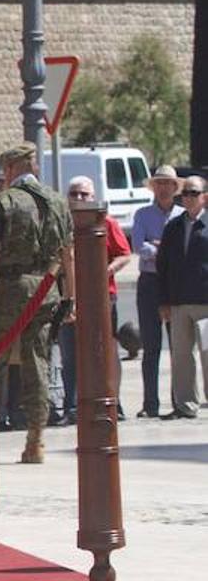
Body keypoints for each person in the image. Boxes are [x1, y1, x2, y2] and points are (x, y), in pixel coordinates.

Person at [0, 142, 74, 465]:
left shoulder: (4, 202)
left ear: (9, 169)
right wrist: (69, 298)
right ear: (32, 166)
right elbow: (67, 255)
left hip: (10, 286)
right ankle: (36, 440)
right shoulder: (58, 202)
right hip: (46, 289)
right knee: (38, 361)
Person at [58, 176, 133, 423]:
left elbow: (124, 255)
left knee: (106, 352)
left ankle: (113, 402)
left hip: (103, 298)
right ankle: (72, 406)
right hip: (69, 298)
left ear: (93, 197)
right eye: (74, 194)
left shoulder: (107, 223)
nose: (79, 199)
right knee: (70, 354)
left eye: (84, 194)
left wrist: (104, 271)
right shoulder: (61, 225)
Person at [156, 174, 208, 421]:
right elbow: (163, 265)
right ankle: (186, 404)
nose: (188, 198)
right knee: (181, 355)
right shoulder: (174, 227)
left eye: (193, 193)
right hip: (178, 303)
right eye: (185, 193)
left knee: (207, 352)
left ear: (204, 197)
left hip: (205, 303)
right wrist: (164, 300)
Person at [131, 166, 182, 419]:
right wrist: (162, 250)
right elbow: (139, 247)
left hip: (176, 284)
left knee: (178, 347)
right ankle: (150, 403)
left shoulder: (183, 215)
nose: (163, 188)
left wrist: (158, 247)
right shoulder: (142, 214)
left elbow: (182, 252)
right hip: (149, 283)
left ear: (175, 188)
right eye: (159, 183)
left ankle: (179, 401)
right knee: (150, 347)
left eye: (168, 183)